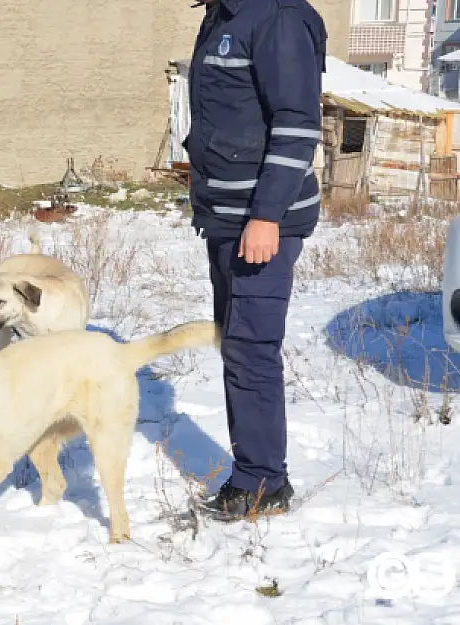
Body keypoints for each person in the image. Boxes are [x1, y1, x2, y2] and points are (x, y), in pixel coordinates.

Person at [184, 0, 326, 520]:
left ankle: (263, 482)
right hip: (225, 215)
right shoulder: (224, 17)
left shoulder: (277, 17)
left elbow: (296, 122)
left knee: (251, 348)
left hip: (262, 220)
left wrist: (266, 215)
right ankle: (254, 469)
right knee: (236, 344)